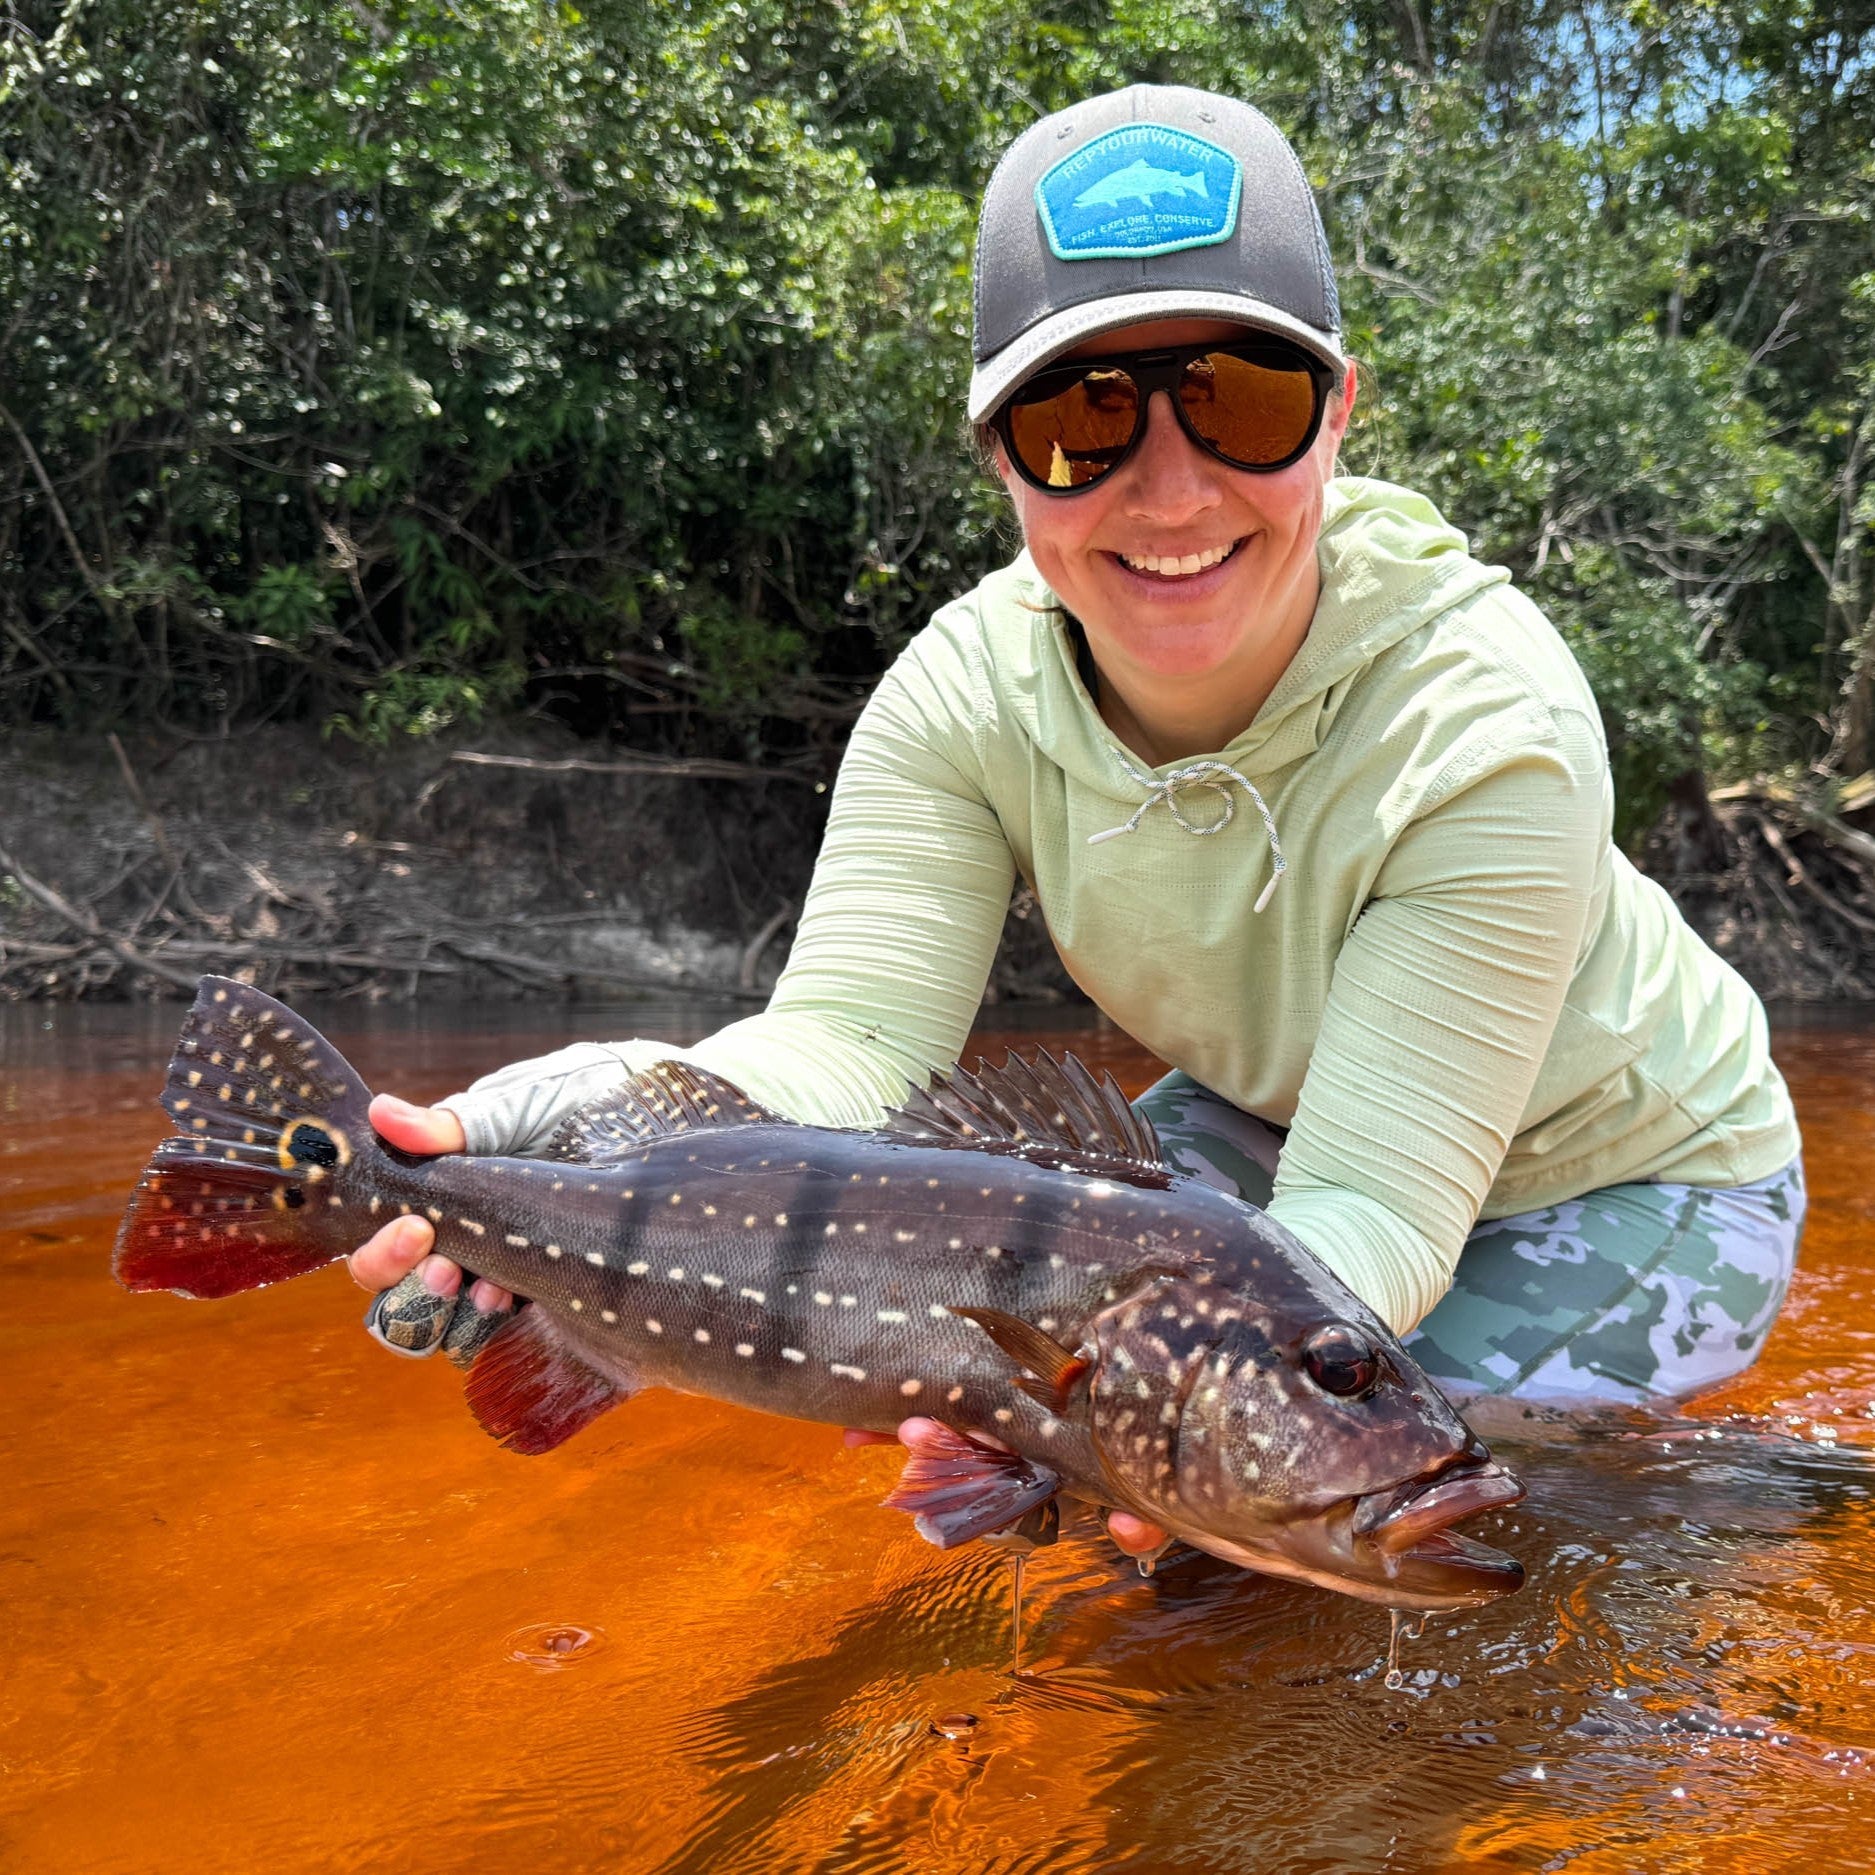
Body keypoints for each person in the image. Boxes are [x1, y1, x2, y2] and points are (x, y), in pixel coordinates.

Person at [347, 84, 1804, 1560]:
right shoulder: (961, 698)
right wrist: (579, 1123)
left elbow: (1369, 1204)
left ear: (1338, 412)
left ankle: (1728, 1504)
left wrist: (1138, 1422)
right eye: (1079, 417)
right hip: (1277, 1119)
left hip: (1633, 1170)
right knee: (1120, 1485)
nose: (1169, 493)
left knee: (1401, 1526)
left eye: (1240, 400)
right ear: (998, 451)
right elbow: (844, 1048)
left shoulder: (1492, 729)